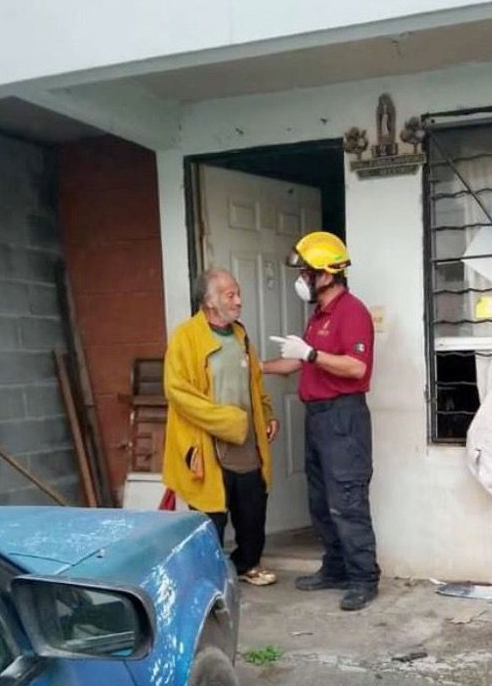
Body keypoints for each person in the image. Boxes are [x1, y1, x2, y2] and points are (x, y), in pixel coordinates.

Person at [262, 231, 380, 611]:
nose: (302, 280)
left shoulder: (352, 312)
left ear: (327, 274)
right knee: (320, 500)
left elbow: (356, 365)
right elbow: (296, 363)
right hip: (317, 419)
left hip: (343, 417)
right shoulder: (319, 315)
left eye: (306, 273)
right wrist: (256, 367)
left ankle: (363, 578)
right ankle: (335, 569)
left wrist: (312, 354)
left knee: (346, 499)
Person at [162, 268, 280, 586]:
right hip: (206, 441)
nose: (239, 301)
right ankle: (208, 576)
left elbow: (255, 381)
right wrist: (226, 422)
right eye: (231, 295)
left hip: (245, 439)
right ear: (209, 301)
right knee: (211, 514)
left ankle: (247, 564)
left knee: (252, 505)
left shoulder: (240, 335)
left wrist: (266, 414)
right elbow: (178, 391)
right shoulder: (186, 337)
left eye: (237, 293)